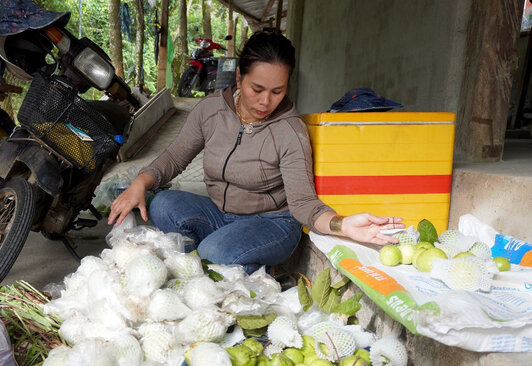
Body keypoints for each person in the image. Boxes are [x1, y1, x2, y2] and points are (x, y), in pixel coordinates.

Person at [108, 29, 403, 273]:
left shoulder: (290, 131)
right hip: (220, 214)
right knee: (163, 203)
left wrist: (342, 225)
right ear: (239, 78)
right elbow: (174, 157)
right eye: (257, 88)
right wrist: (139, 183)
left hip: (272, 223)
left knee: (213, 253)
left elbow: (303, 204)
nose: (266, 101)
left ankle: (231, 263)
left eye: (278, 91)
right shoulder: (211, 110)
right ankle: (225, 262)